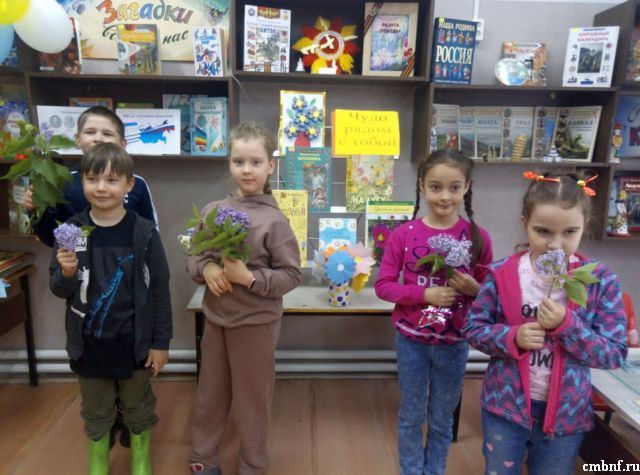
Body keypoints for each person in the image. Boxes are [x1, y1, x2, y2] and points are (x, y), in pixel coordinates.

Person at [463, 172, 628, 475]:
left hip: (566, 416)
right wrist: (513, 337)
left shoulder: (601, 281)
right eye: (542, 231)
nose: (555, 244)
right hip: (505, 409)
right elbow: (473, 329)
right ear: (525, 222)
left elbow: (614, 354)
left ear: (584, 227)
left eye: (569, 232)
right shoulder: (502, 274)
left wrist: (568, 326)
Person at [49, 143, 172, 475]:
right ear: (82, 183)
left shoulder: (144, 232)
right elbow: (58, 288)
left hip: (134, 342)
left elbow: (160, 289)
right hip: (89, 343)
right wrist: (66, 273)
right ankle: (98, 464)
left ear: (129, 184)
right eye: (92, 179)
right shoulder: (72, 231)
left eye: (112, 180)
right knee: (96, 410)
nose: (101, 187)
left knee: (138, 407)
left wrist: (161, 342)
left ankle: (141, 462)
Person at [187, 122, 302, 475]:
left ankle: (252, 465)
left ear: (271, 166)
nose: (247, 170)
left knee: (252, 402)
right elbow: (195, 256)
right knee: (209, 395)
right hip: (216, 320)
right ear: (230, 164)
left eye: (256, 162)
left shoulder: (275, 221)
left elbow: (291, 275)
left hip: (255, 325)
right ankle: (203, 458)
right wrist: (207, 269)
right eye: (239, 162)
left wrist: (249, 279)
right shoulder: (213, 210)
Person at [375, 149, 493, 475]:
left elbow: (491, 296)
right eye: (435, 187)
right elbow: (384, 286)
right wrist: (423, 294)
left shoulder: (478, 238)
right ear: (421, 186)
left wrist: (474, 288)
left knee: (442, 419)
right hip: (412, 341)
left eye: (454, 187)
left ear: (466, 187)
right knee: (411, 415)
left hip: (454, 343)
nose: (444, 196)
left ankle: (434, 471)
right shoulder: (404, 234)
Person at [24, 105, 158, 247]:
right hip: (79, 258)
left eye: (107, 134)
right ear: (77, 139)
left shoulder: (137, 184)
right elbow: (52, 237)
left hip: (127, 258)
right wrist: (35, 209)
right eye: (90, 132)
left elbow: (150, 232)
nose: (98, 138)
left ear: (122, 143)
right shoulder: (62, 182)